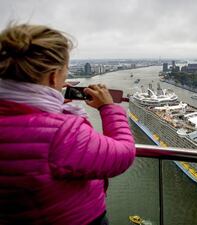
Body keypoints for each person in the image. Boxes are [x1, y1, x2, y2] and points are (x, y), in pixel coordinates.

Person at [0, 23, 136, 224]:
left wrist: (54, 109)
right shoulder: (62, 132)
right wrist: (108, 108)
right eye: (65, 72)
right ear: (54, 76)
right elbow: (124, 154)